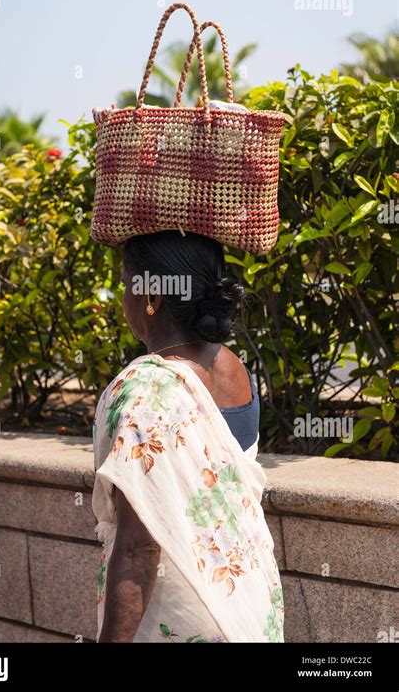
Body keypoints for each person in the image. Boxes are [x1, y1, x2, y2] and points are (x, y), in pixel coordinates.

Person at [91, 230, 284, 643]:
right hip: (249, 608)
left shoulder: (146, 388)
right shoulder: (236, 370)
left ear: (152, 298)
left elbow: (138, 549)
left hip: (180, 620)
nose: (121, 298)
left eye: (126, 285)